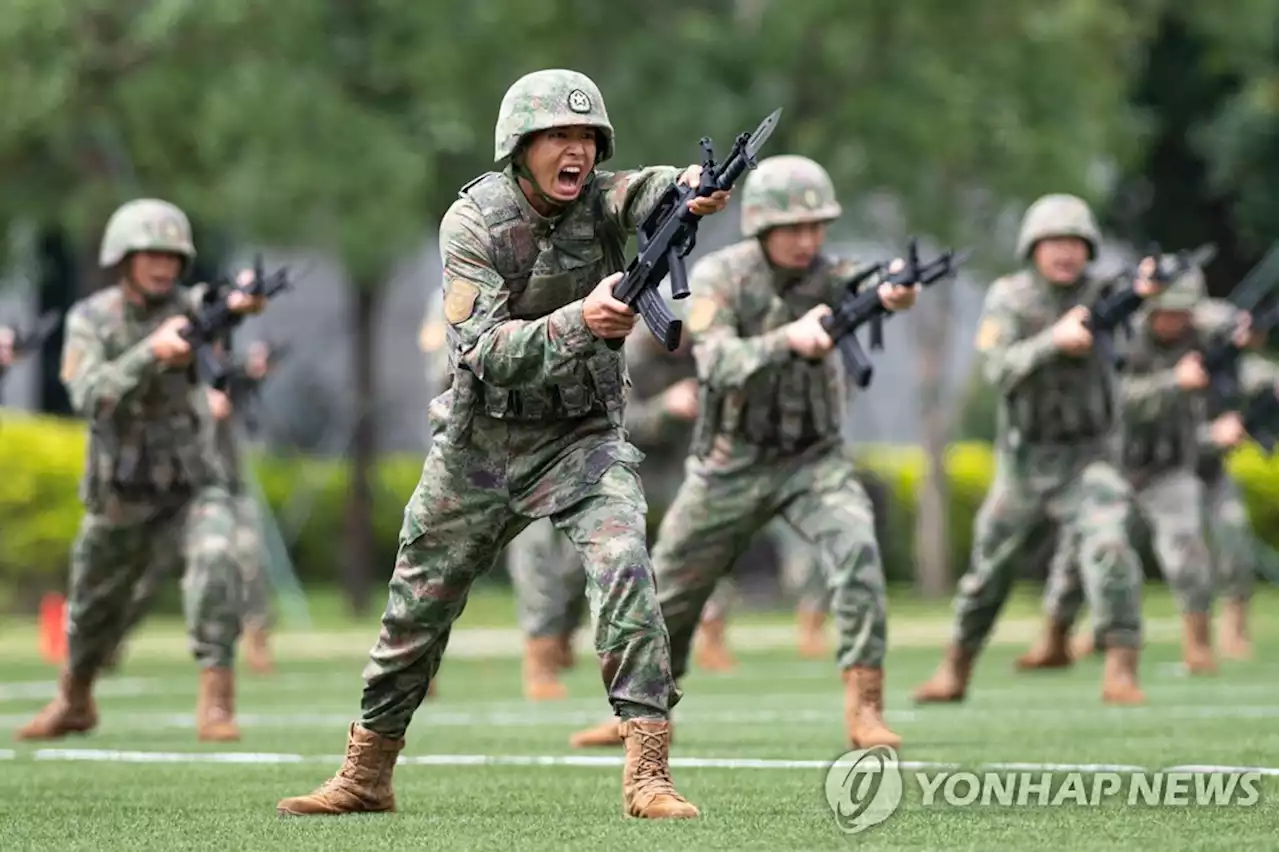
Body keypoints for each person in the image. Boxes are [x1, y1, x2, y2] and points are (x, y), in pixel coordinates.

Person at [275, 68, 730, 820]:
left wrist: (689, 187)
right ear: (520, 146)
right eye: (558, 135)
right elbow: (481, 351)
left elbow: (645, 191)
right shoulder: (473, 224)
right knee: (414, 611)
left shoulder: (602, 200)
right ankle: (367, 774)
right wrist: (582, 318)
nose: (575, 150)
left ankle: (648, 772)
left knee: (625, 568)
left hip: (581, 438)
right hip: (479, 446)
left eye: (586, 136)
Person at [568, 154, 921, 750]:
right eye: (793, 228)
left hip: (815, 461)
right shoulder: (720, 278)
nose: (807, 240)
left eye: (817, 226)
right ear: (762, 226)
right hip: (730, 461)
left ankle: (866, 707)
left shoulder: (834, 274)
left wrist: (895, 291)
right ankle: (643, 710)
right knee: (670, 590)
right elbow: (718, 361)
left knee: (857, 551)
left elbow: (875, 279)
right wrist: (791, 339)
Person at [14, 198, 266, 742]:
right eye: (150, 255)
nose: (163, 267)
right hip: (121, 491)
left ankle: (217, 701)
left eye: (172, 257)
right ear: (123, 258)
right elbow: (87, 395)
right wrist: (151, 352)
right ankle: (75, 700)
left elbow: (222, 302)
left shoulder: (192, 306)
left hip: (192, 483)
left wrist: (243, 299)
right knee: (93, 607)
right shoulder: (92, 318)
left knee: (219, 558)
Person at [912, 193, 1158, 707]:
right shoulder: (1010, 297)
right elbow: (997, 369)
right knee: (988, 570)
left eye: (1075, 243)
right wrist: (1054, 341)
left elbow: (1142, 327)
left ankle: (1120, 667)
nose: (1065, 253)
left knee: (1111, 546)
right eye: (1054, 243)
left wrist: (1149, 288)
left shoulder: (1105, 292)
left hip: (1088, 458)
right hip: (1025, 463)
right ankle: (956, 667)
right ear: (1034, 248)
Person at [1015, 265, 1245, 674]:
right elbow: (1121, 398)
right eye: (1165, 312)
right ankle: (1055, 638)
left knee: (1186, 548)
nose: (1173, 321)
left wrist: (1244, 332)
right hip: (1114, 464)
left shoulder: (1201, 333)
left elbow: (1231, 322)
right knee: (1077, 556)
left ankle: (1198, 644)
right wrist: (1175, 382)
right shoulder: (1122, 337)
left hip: (1169, 467)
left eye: (1182, 312)